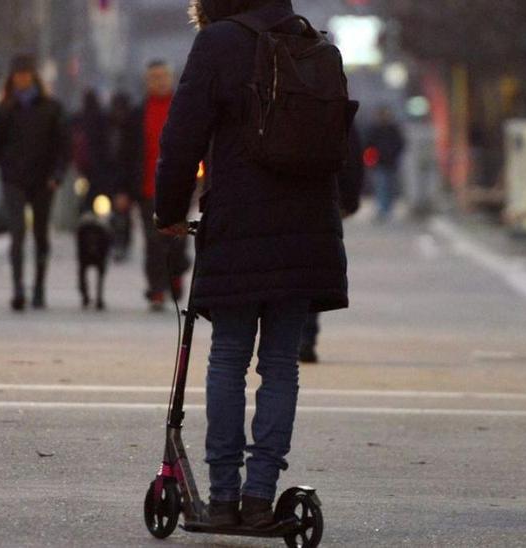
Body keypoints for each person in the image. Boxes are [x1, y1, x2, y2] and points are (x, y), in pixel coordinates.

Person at [155, 0, 355, 529]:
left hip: (239, 224)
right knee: (281, 364)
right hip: (307, 231)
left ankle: (223, 497)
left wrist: (169, 211)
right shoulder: (318, 45)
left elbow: (182, 135)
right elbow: (342, 140)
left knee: (228, 358)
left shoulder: (219, 42)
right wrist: (344, 205)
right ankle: (262, 496)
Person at [0, 54, 69, 312]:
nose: (22, 79)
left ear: (33, 76)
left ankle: (39, 286)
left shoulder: (51, 107)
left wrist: (57, 176)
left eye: (26, 74)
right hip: (14, 178)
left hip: (43, 180)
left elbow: (63, 147)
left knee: (40, 234)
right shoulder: (4, 109)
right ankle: (18, 287)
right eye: (18, 75)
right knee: (17, 233)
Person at [300, 127, 365, 364]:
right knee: (310, 271)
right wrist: (349, 200)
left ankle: (285, 337)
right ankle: (305, 337)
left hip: (272, 201)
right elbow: (351, 155)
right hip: (322, 202)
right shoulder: (330, 96)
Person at [132, 60, 191, 311]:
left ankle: (175, 275)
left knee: (177, 238)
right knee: (153, 241)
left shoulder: (184, 109)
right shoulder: (138, 113)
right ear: (147, 81)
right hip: (147, 188)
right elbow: (128, 152)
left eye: (163, 76)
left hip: (179, 185)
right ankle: (156, 289)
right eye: (154, 77)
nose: (159, 81)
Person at [70, 89, 116, 214]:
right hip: (102, 172)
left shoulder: (78, 119)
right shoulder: (104, 119)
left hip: (85, 172)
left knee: (85, 204)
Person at [107, 92, 140, 263]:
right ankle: (117, 242)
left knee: (123, 215)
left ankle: (122, 243)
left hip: (125, 177)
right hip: (112, 176)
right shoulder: (107, 125)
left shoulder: (129, 126)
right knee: (117, 215)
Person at [366, 106, 405, 223]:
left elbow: (400, 144)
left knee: (389, 187)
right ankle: (383, 210)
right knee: (381, 186)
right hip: (380, 163)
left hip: (391, 163)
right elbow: (368, 145)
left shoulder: (392, 130)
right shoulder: (375, 130)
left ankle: (387, 209)